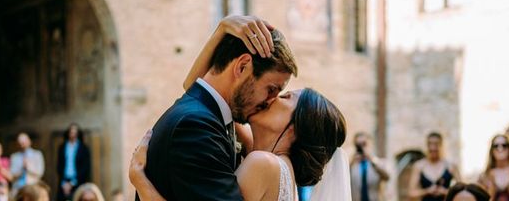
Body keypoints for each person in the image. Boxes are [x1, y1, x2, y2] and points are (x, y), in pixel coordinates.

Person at [129, 15, 351, 201]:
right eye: (274, 90)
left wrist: (142, 184)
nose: (271, 99)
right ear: (242, 66)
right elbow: (199, 90)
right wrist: (222, 29)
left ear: (295, 128)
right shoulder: (262, 155)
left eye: (282, 95)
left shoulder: (262, 163)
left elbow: (201, 95)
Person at [408, 132, 461, 201]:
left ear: (442, 145)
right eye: (429, 144)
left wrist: (445, 191)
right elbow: (411, 193)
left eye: (436, 144)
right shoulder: (419, 166)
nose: (432, 147)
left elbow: (462, 191)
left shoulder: (451, 166)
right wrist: (427, 191)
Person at [350, 132, 390, 201]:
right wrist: (351, 162)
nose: (361, 148)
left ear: (369, 144)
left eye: (364, 144)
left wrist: (371, 159)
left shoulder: (377, 162)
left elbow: (386, 177)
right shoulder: (352, 164)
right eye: (358, 145)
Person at [56, 124, 91, 201]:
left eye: (75, 133)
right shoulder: (62, 147)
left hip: (78, 181)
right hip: (64, 182)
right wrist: (64, 183)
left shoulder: (83, 148)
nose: (73, 135)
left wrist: (72, 183)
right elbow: (59, 166)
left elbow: (85, 168)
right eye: (71, 132)